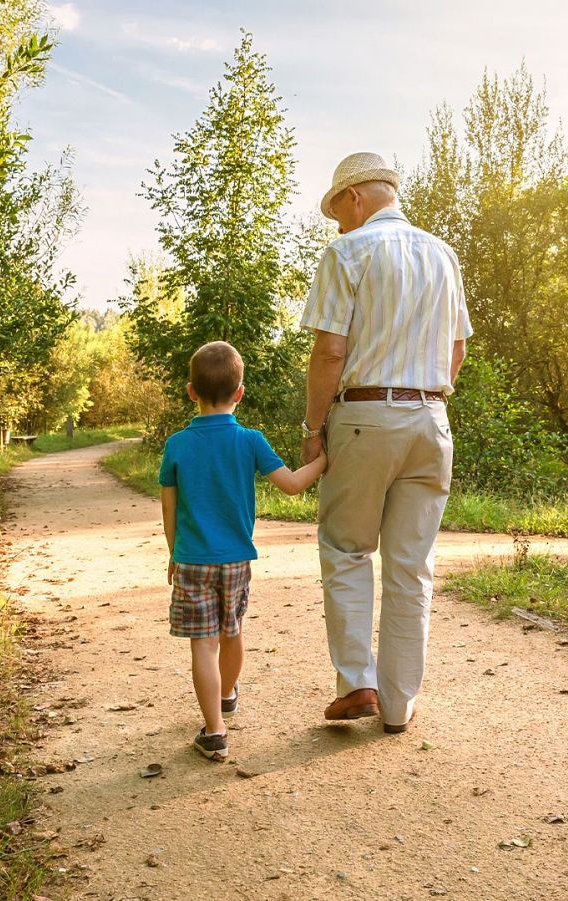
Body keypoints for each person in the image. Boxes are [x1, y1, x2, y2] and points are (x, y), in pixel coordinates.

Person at [298, 152, 472, 734]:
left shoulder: (348, 251)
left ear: (354, 199)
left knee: (348, 550)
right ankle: (398, 705)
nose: (338, 225)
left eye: (338, 212)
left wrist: (312, 429)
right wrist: (427, 395)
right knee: (410, 565)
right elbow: (457, 351)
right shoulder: (443, 254)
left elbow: (329, 351)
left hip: (365, 417)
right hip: (432, 419)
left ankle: (357, 685)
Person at [159, 341, 327, 760]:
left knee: (203, 644)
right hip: (236, 559)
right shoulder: (249, 440)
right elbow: (291, 484)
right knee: (231, 631)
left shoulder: (177, 445)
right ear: (240, 392)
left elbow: (169, 506)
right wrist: (326, 460)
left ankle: (214, 731)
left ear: (190, 391)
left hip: (193, 559)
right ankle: (228, 693)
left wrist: (173, 552)